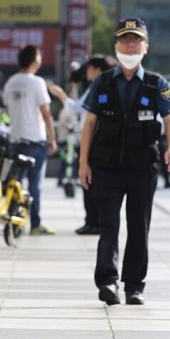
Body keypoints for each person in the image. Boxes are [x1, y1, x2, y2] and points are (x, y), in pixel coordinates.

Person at [79, 19, 170, 306]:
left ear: (145, 47)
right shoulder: (103, 81)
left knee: (138, 226)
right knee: (108, 224)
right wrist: (82, 163)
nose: (130, 45)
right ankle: (108, 282)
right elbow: (89, 124)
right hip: (106, 166)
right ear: (116, 46)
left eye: (136, 41)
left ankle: (134, 286)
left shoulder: (156, 83)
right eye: (125, 40)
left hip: (142, 167)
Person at [50, 55, 114, 234]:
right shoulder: (104, 86)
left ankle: (94, 222)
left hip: (93, 143)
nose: (86, 72)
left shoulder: (98, 86)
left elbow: (76, 108)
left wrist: (62, 95)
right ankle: (93, 221)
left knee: (89, 184)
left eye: (88, 69)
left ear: (97, 70)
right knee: (91, 185)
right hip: (97, 142)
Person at [2, 45, 58, 235]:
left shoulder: (10, 82)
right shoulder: (37, 82)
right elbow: (46, 114)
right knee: (34, 184)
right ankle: (35, 224)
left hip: (15, 139)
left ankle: (12, 219)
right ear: (35, 61)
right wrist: (52, 139)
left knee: (15, 181)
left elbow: (8, 110)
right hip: (35, 140)